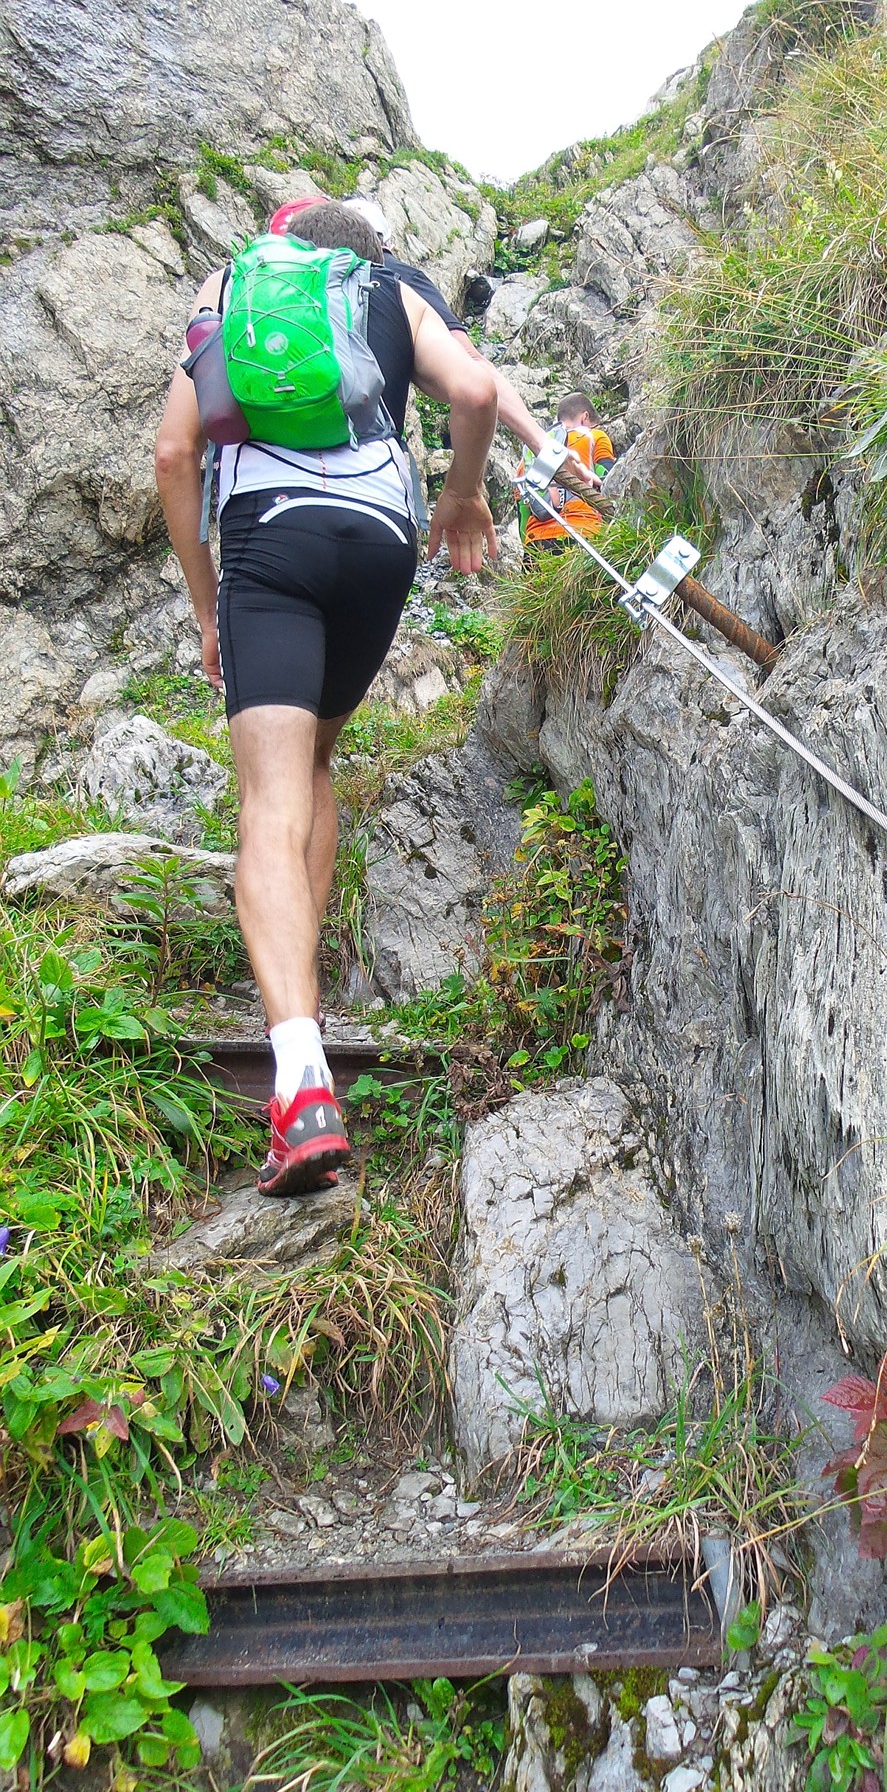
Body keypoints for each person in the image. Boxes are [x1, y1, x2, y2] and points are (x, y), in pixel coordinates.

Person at [155, 202, 497, 1194]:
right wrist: (462, 494)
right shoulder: (391, 291)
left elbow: (177, 454)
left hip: (272, 537)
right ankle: (302, 996)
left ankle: (301, 1085)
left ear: (281, 247)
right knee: (315, 758)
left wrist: (208, 603)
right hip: (380, 542)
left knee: (270, 791)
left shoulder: (230, 288)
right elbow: (472, 389)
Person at [268, 194, 597, 476]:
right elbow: (474, 371)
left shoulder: (260, 294)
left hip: (266, 478)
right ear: (384, 242)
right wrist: (540, 445)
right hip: (369, 479)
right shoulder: (398, 278)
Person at [519, 393, 616, 559]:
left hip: (535, 544)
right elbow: (612, 484)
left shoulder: (529, 454)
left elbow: (523, 512)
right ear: (585, 417)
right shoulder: (594, 436)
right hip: (582, 534)